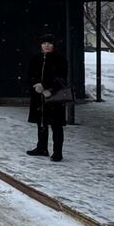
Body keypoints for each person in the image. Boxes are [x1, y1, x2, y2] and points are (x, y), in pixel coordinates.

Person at [26, 34, 68, 162]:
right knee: (41, 123)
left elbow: (61, 78)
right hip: (39, 96)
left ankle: (58, 152)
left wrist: (47, 87)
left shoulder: (60, 60)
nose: (46, 45)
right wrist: (36, 85)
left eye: (49, 43)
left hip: (55, 96)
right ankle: (42, 147)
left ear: (54, 45)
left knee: (56, 124)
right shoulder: (35, 59)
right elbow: (30, 75)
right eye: (44, 43)